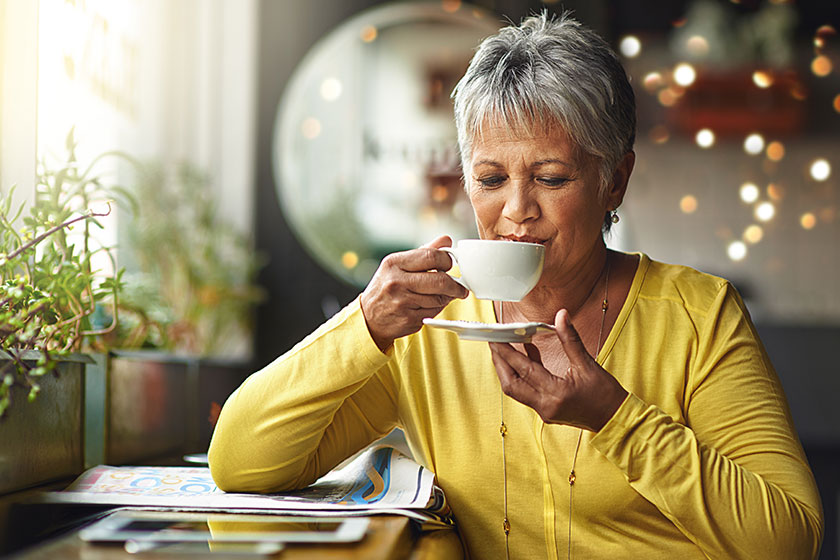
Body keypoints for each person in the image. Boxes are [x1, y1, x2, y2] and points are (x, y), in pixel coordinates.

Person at [208, 11, 823, 559]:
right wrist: (364, 321)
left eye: (551, 178)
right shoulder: (433, 329)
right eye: (490, 177)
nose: (516, 210)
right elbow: (239, 463)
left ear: (615, 180)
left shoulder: (697, 315)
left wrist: (615, 419)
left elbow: (789, 538)